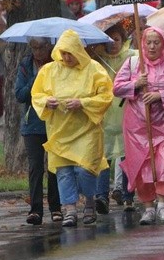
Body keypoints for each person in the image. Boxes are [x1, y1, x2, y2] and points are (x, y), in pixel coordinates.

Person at [31, 29, 114, 227]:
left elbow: (106, 96)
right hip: (59, 130)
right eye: (63, 53)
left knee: (86, 169)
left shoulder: (94, 70)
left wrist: (83, 103)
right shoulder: (49, 70)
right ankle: (69, 208)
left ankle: (90, 201)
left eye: (70, 53)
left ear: (78, 51)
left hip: (87, 130)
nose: (66, 57)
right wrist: (46, 101)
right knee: (64, 171)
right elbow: (37, 94)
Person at [113, 27, 164, 225]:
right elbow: (117, 88)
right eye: (149, 42)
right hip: (137, 126)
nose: (153, 46)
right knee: (141, 166)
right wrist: (136, 84)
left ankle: (162, 204)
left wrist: (161, 95)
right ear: (143, 44)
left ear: (163, 44)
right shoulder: (132, 64)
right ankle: (148, 207)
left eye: (157, 42)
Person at [14, 37, 61, 225]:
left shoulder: (57, 63)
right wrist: (37, 77)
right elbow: (20, 94)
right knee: (35, 168)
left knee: (54, 166)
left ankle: (56, 207)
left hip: (54, 122)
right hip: (32, 124)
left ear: (49, 46)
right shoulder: (26, 65)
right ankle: (35, 209)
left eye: (41, 47)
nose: (37, 52)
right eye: (33, 48)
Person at [91, 24, 137, 214]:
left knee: (127, 155)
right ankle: (102, 196)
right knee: (104, 156)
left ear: (123, 39)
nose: (112, 44)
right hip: (105, 113)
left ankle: (128, 196)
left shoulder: (132, 58)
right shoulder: (97, 60)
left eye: (116, 39)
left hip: (127, 111)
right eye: (108, 40)